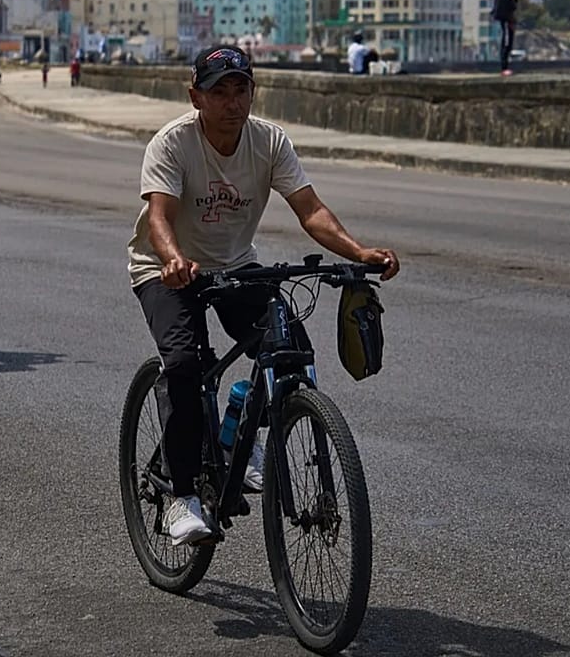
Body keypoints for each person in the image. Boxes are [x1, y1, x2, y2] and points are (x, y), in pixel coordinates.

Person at [128, 44, 400, 546]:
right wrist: (171, 258)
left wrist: (358, 252)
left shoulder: (269, 141)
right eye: (220, 92)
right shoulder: (172, 143)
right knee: (185, 364)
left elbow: (310, 210)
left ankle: (242, 429)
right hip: (167, 269)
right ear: (196, 97)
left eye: (242, 90)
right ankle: (181, 497)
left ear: (254, 92)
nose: (233, 102)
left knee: (288, 347)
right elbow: (160, 217)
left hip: (235, 265)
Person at [492, 0, 521, 76]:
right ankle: (504, 67)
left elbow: (514, 6)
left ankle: (506, 67)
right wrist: (509, 19)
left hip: (508, 21)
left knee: (508, 44)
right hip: (506, 21)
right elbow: (510, 7)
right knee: (506, 43)